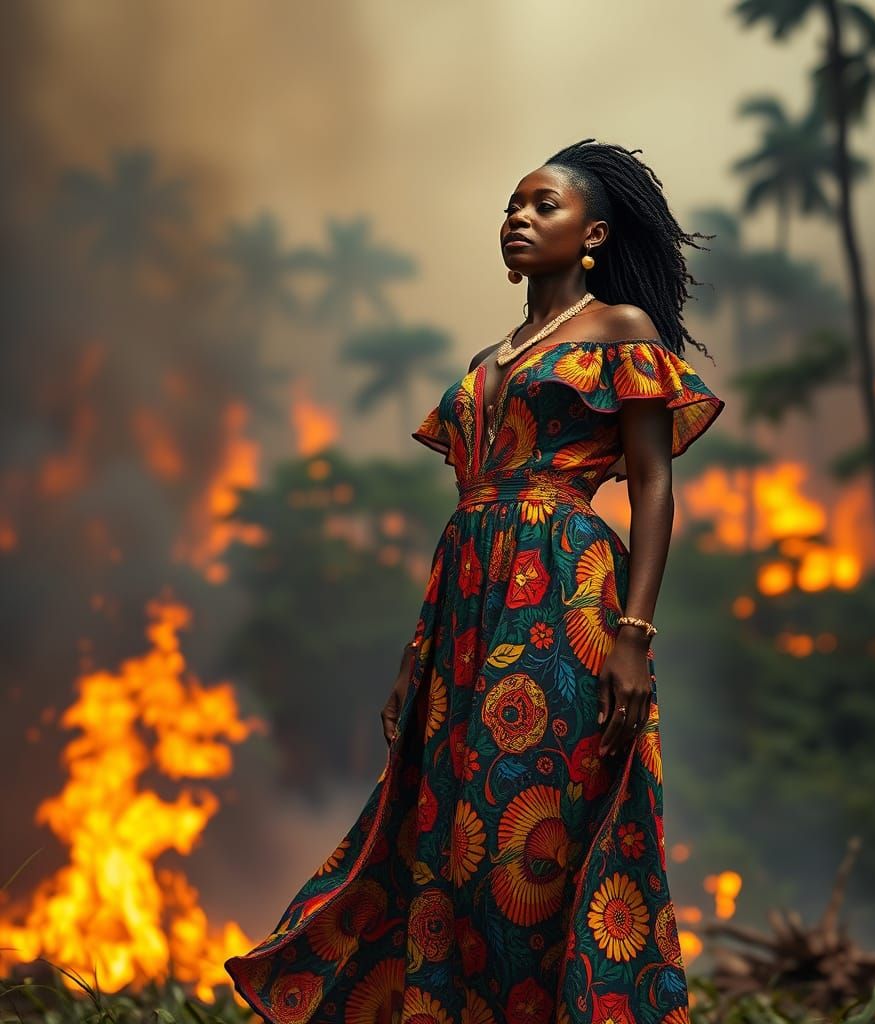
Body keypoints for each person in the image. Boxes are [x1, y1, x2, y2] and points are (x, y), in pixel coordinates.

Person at [225, 138, 725, 1024]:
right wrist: (414, 659)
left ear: (596, 233)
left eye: (543, 206)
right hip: (465, 602)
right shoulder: (488, 359)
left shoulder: (621, 331)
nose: (518, 220)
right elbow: (469, 513)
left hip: (564, 594)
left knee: (530, 838)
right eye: (512, 206)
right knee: (448, 841)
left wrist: (633, 637)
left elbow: (651, 483)